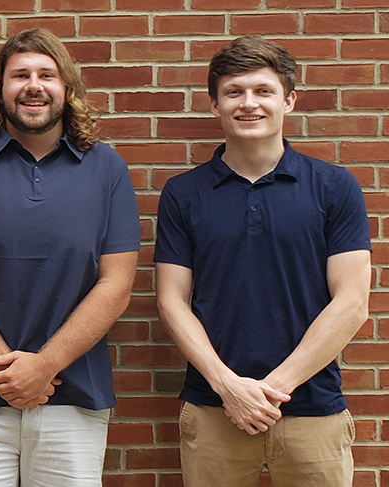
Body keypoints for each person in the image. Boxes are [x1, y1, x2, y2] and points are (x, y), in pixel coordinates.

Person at [0, 28, 140, 486]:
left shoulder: (107, 169)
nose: (34, 86)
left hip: (73, 396)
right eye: (20, 75)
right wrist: (10, 372)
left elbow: (117, 285)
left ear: (67, 87)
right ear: (0, 89)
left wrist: (43, 367)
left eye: (47, 74)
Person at [154, 36, 370, 487]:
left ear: (288, 100)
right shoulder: (183, 193)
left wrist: (270, 391)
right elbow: (171, 301)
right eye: (234, 92)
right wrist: (229, 387)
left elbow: (352, 303)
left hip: (313, 410)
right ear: (215, 105)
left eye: (263, 91)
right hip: (214, 409)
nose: (248, 103)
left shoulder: (334, 187)